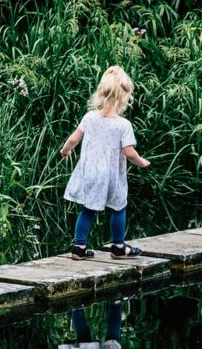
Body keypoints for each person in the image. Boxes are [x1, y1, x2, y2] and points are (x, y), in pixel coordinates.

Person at [60, 65, 150, 260]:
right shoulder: (123, 125)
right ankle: (118, 246)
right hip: (111, 175)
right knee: (119, 207)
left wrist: (65, 151)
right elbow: (129, 152)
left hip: (89, 172)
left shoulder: (90, 117)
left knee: (88, 209)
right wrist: (141, 162)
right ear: (123, 97)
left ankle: (79, 247)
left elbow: (73, 139)